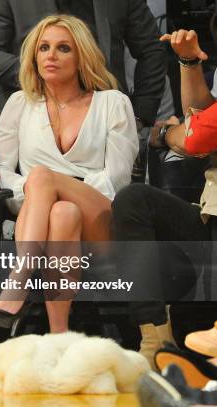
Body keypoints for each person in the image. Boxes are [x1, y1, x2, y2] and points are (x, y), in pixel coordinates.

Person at [0, 15, 138, 333]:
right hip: (40, 216)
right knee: (62, 212)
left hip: (101, 218)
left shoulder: (112, 103)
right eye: (44, 47)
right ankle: (60, 334)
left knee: (42, 177)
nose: (51, 55)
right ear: (34, 56)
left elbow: (117, 181)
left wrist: (56, 185)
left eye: (63, 48)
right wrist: (45, 195)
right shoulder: (19, 104)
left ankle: (20, 278)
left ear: (82, 56)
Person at [111, 28, 217, 369]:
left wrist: (166, 133)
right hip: (209, 215)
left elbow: (195, 138)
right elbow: (200, 114)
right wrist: (187, 60)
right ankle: (156, 340)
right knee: (134, 200)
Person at [0, 0, 166, 134]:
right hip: (31, 123)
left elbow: (152, 50)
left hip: (104, 121)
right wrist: (44, 71)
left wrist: (140, 115)